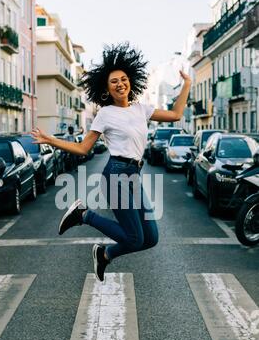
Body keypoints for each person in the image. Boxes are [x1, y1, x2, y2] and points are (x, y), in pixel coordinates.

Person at [32, 42, 191, 282]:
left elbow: (176, 115)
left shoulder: (141, 109)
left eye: (124, 79)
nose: (120, 84)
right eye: (114, 81)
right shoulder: (105, 113)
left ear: (131, 82)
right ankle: (84, 215)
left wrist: (187, 84)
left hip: (135, 176)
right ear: (106, 88)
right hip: (115, 174)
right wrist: (50, 140)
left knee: (151, 238)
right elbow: (83, 148)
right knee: (134, 238)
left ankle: (104, 254)